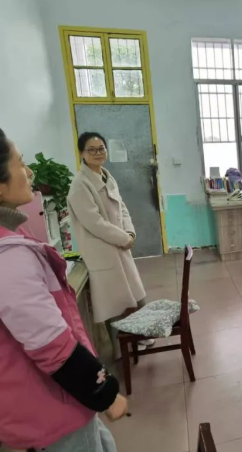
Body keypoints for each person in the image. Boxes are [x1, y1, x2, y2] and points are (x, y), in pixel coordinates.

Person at [0, 127, 126, 451]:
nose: (30, 173)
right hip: (47, 407)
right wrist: (105, 393)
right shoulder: (2, 257)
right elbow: (50, 343)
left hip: (43, 399)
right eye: (20, 163)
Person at [68, 132, 152, 355]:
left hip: (119, 245)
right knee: (114, 303)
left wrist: (130, 232)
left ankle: (139, 336)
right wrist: (123, 238)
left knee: (133, 295)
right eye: (92, 149)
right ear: (82, 153)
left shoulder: (106, 176)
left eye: (101, 148)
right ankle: (120, 350)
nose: (98, 153)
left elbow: (121, 207)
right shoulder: (80, 185)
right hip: (103, 251)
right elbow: (94, 223)